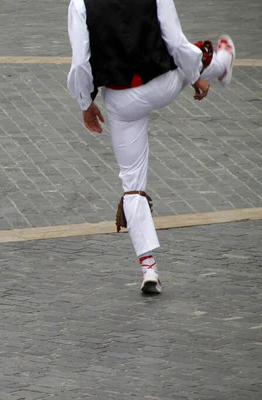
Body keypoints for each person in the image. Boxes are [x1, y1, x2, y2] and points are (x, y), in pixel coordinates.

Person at [67, 0, 235, 293]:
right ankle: (220, 65)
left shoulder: (79, 3)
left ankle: (149, 267)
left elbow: (81, 63)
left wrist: (85, 103)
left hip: (123, 100)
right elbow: (175, 42)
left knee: (132, 183)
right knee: (191, 55)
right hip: (163, 83)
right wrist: (195, 78)